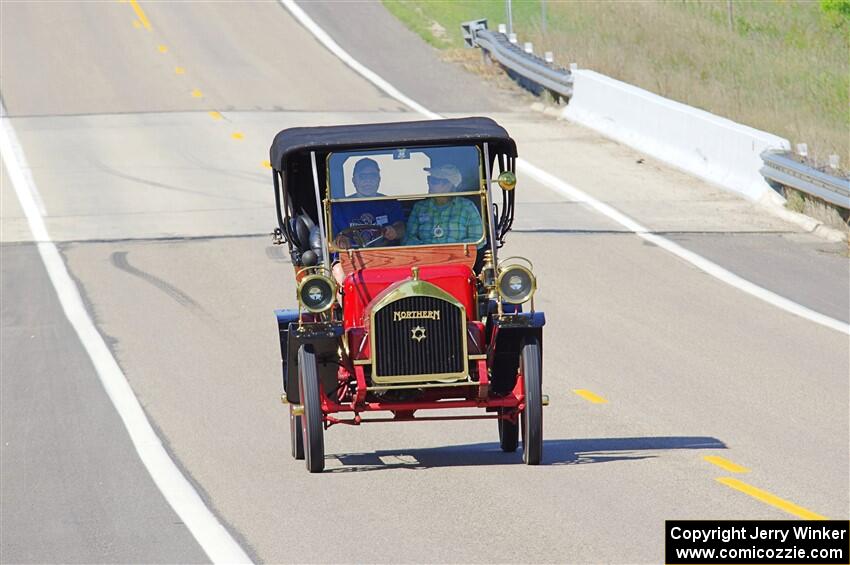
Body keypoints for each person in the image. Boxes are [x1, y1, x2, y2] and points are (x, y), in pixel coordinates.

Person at [331, 158, 405, 249]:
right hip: (348, 256)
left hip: (386, 255)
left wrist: (394, 230)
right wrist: (339, 240)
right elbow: (329, 240)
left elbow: (401, 227)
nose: (368, 181)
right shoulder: (339, 206)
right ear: (354, 180)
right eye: (363, 176)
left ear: (379, 179)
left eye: (372, 176)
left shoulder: (390, 203)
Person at [402, 164, 484, 246]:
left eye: (434, 181)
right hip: (424, 257)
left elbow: (479, 240)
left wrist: (452, 250)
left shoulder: (467, 207)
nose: (429, 183)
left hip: (459, 258)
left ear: (449, 185)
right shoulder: (419, 207)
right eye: (429, 178)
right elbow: (408, 238)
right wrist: (426, 249)